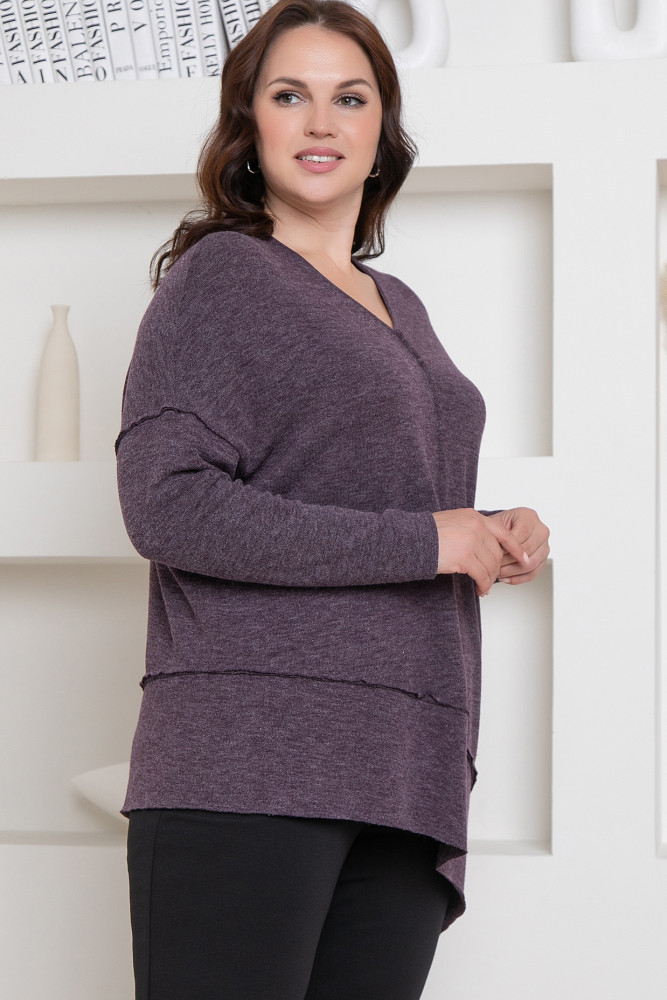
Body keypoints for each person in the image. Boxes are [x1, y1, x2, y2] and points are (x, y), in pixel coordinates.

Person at [114, 0, 550, 997]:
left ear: (380, 130)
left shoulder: (402, 306)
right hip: (250, 757)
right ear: (247, 124)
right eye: (288, 96)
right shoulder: (220, 280)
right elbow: (167, 506)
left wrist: (486, 529)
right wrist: (428, 542)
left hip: (402, 761)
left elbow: (374, 496)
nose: (320, 123)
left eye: (349, 98)